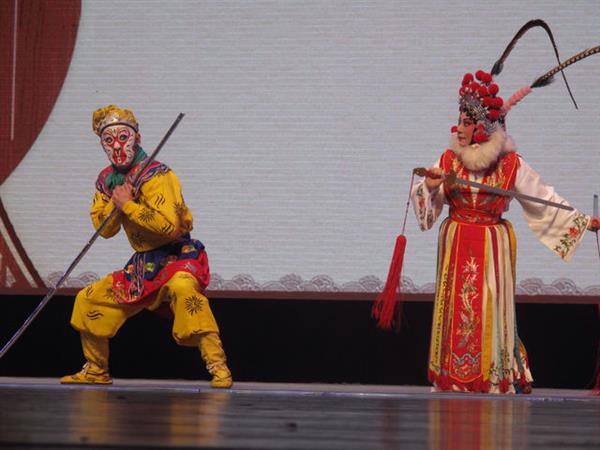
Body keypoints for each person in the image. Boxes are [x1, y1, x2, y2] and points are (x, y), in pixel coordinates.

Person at [411, 70, 597, 394]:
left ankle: (494, 375)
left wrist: (583, 221)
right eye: (459, 121)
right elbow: (428, 204)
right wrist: (428, 186)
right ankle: (452, 375)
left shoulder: (510, 164)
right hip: (457, 243)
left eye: (466, 123)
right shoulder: (448, 159)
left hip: (490, 245)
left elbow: (543, 199)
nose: (459, 129)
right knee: (457, 309)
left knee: (489, 307)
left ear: (482, 129)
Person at [61, 105, 232, 388]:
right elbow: (105, 230)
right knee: (88, 298)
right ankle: (96, 369)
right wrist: (117, 205)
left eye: (123, 137)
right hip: (143, 264)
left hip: (176, 256)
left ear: (137, 138)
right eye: (108, 140)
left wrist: (129, 205)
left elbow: (169, 226)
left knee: (184, 291)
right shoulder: (106, 180)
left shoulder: (158, 175)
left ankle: (218, 366)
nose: (117, 146)